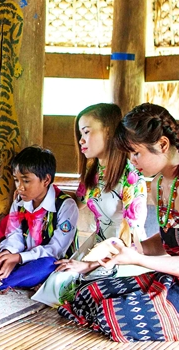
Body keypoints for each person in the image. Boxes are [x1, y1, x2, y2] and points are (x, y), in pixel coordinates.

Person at [58, 103, 179, 342]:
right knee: (86, 295)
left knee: (110, 315)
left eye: (136, 153)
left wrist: (139, 259)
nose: (132, 161)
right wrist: (134, 249)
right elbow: (171, 239)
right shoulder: (160, 182)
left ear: (163, 144)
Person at [32, 103, 148, 306]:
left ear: (109, 131)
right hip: (96, 244)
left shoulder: (131, 177)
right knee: (58, 281)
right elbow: (73, 205)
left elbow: (131, 238)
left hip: (123, 253)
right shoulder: (94, 174)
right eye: (80, 134)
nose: (81, 140)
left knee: (80, 289)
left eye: (86, 132)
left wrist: (89, 265)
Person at [0, 146, 78, 289]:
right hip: (19, 258)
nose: (20, 187)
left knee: (47, 266)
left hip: (46, 263)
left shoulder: (65, 205)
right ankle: (11, 277)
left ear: (46, 180)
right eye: (16, 180)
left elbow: (55, 250)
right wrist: (7, 255)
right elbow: (13, 234)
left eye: (26, 181)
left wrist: (19, 258)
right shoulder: (20, 201)